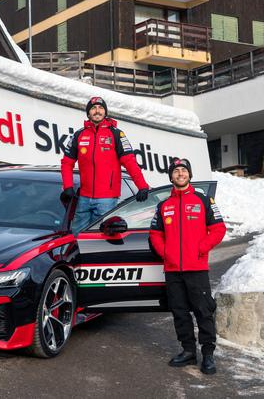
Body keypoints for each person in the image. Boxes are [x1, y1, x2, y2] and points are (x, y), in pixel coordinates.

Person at [149, 158, 226, 375]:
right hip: (173, 270)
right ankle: (188, 351)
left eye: (184, 170)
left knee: (203, 311)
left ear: (189, 175)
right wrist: (166, 252)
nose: (180, 174)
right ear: (171, 177)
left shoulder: (204, 200)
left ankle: (208, 354)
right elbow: (155, 234)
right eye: (176, 171)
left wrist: (201, 248)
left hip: (197, 269)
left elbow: (218, 229)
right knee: (180, 312)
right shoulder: (163, 205)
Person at [61, 96, 150, 232]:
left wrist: (142, 186)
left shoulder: (116, 134)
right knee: (76, 238)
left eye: (101, 108)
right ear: (88, 113)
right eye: (93, 108)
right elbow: (67, 163)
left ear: (105, 112)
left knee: (100, 239)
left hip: (107, 200)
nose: (97, 111)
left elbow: (129, 161)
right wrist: (68, 187)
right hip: (84, 198)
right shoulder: (79, 135)